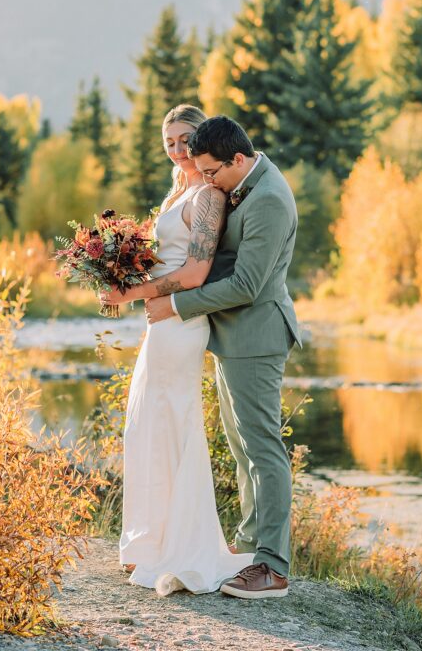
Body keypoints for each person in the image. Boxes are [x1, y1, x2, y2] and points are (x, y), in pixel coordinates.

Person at [100, 104, 253, 596]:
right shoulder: (179, 189)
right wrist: (117, 269)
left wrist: (135, 293)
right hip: (162, 323)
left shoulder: (209, 196)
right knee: (147, 423)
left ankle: (180, 547)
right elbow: (163, 257)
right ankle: (149, 544)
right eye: (169, 142)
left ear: (203, 137)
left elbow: (194, 275)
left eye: (185, 139)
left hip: (182, 322)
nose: (178, 149)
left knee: (173, 422)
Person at [145, 115, 301, 600]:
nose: (206, 182)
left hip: (256, 336)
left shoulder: (270, 200)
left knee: (263, 448)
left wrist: (173, 303)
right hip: (233, 336)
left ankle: (273, 568)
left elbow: (247, 285)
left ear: (238, 158)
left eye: (211, 173)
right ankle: (251, 546)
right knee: (241, 448)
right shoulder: (244, 183)